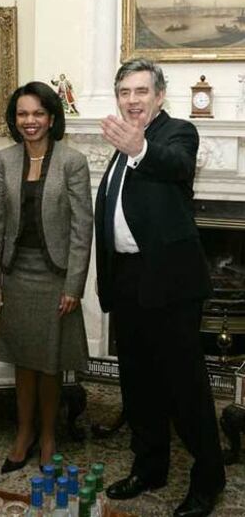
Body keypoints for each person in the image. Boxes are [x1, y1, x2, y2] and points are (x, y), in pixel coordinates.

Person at [94, 58, 226, 517]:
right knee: (139, 384)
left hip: (170, 284)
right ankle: (150, 466)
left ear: (159, 95)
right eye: (124, 93)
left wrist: (140, 149)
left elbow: (175, 166)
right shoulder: (120, 143)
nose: (132, 100)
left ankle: (209, 479)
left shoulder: (176, 133)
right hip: (129, 282)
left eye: (141, 91)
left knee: (184, 389)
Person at [0, 81, 92, 472]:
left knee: (49, 363)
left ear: (51, 117)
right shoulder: (4, 160)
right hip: (15, 275)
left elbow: (83, 228)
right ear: (15, 119)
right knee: (22, 361)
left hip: (54, 277)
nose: (30, 121)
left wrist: (74, 285)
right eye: (23, 114)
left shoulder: (72, 161)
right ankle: (23, 433)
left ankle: (48, 437)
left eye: (38, 113)